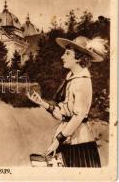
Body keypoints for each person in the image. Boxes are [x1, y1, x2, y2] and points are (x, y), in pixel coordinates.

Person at [27, 36, 107, 167]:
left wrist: (59, 139)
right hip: (67, 138)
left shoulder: (82, 80)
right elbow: (63, 115)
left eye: (67, 53)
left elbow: (79, 116)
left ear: (79, 58)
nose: (62, 57)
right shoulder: (72, 79)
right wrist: (42, 103)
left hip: (79, 142)